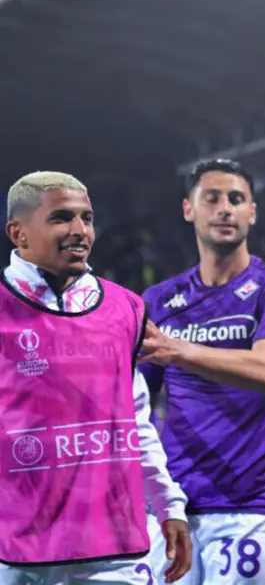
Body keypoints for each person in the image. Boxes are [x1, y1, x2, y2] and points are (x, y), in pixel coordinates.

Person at [0, 171, 192, 583]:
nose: (80, 230)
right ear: (18, 233)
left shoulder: (126, 309)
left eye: (86, 218)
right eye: (61, 218)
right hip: (19, 552)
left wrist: (169, 504)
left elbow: (137, 422)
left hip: (115, 550)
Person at [138, 159, 265, 584]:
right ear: (188, 209)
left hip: (249, 502)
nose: (225, 208)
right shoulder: (159, 300)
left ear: (252, 212)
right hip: (172, 504)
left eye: (236, 199)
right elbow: (135, 400)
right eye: (211, 198)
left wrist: (176, 349)